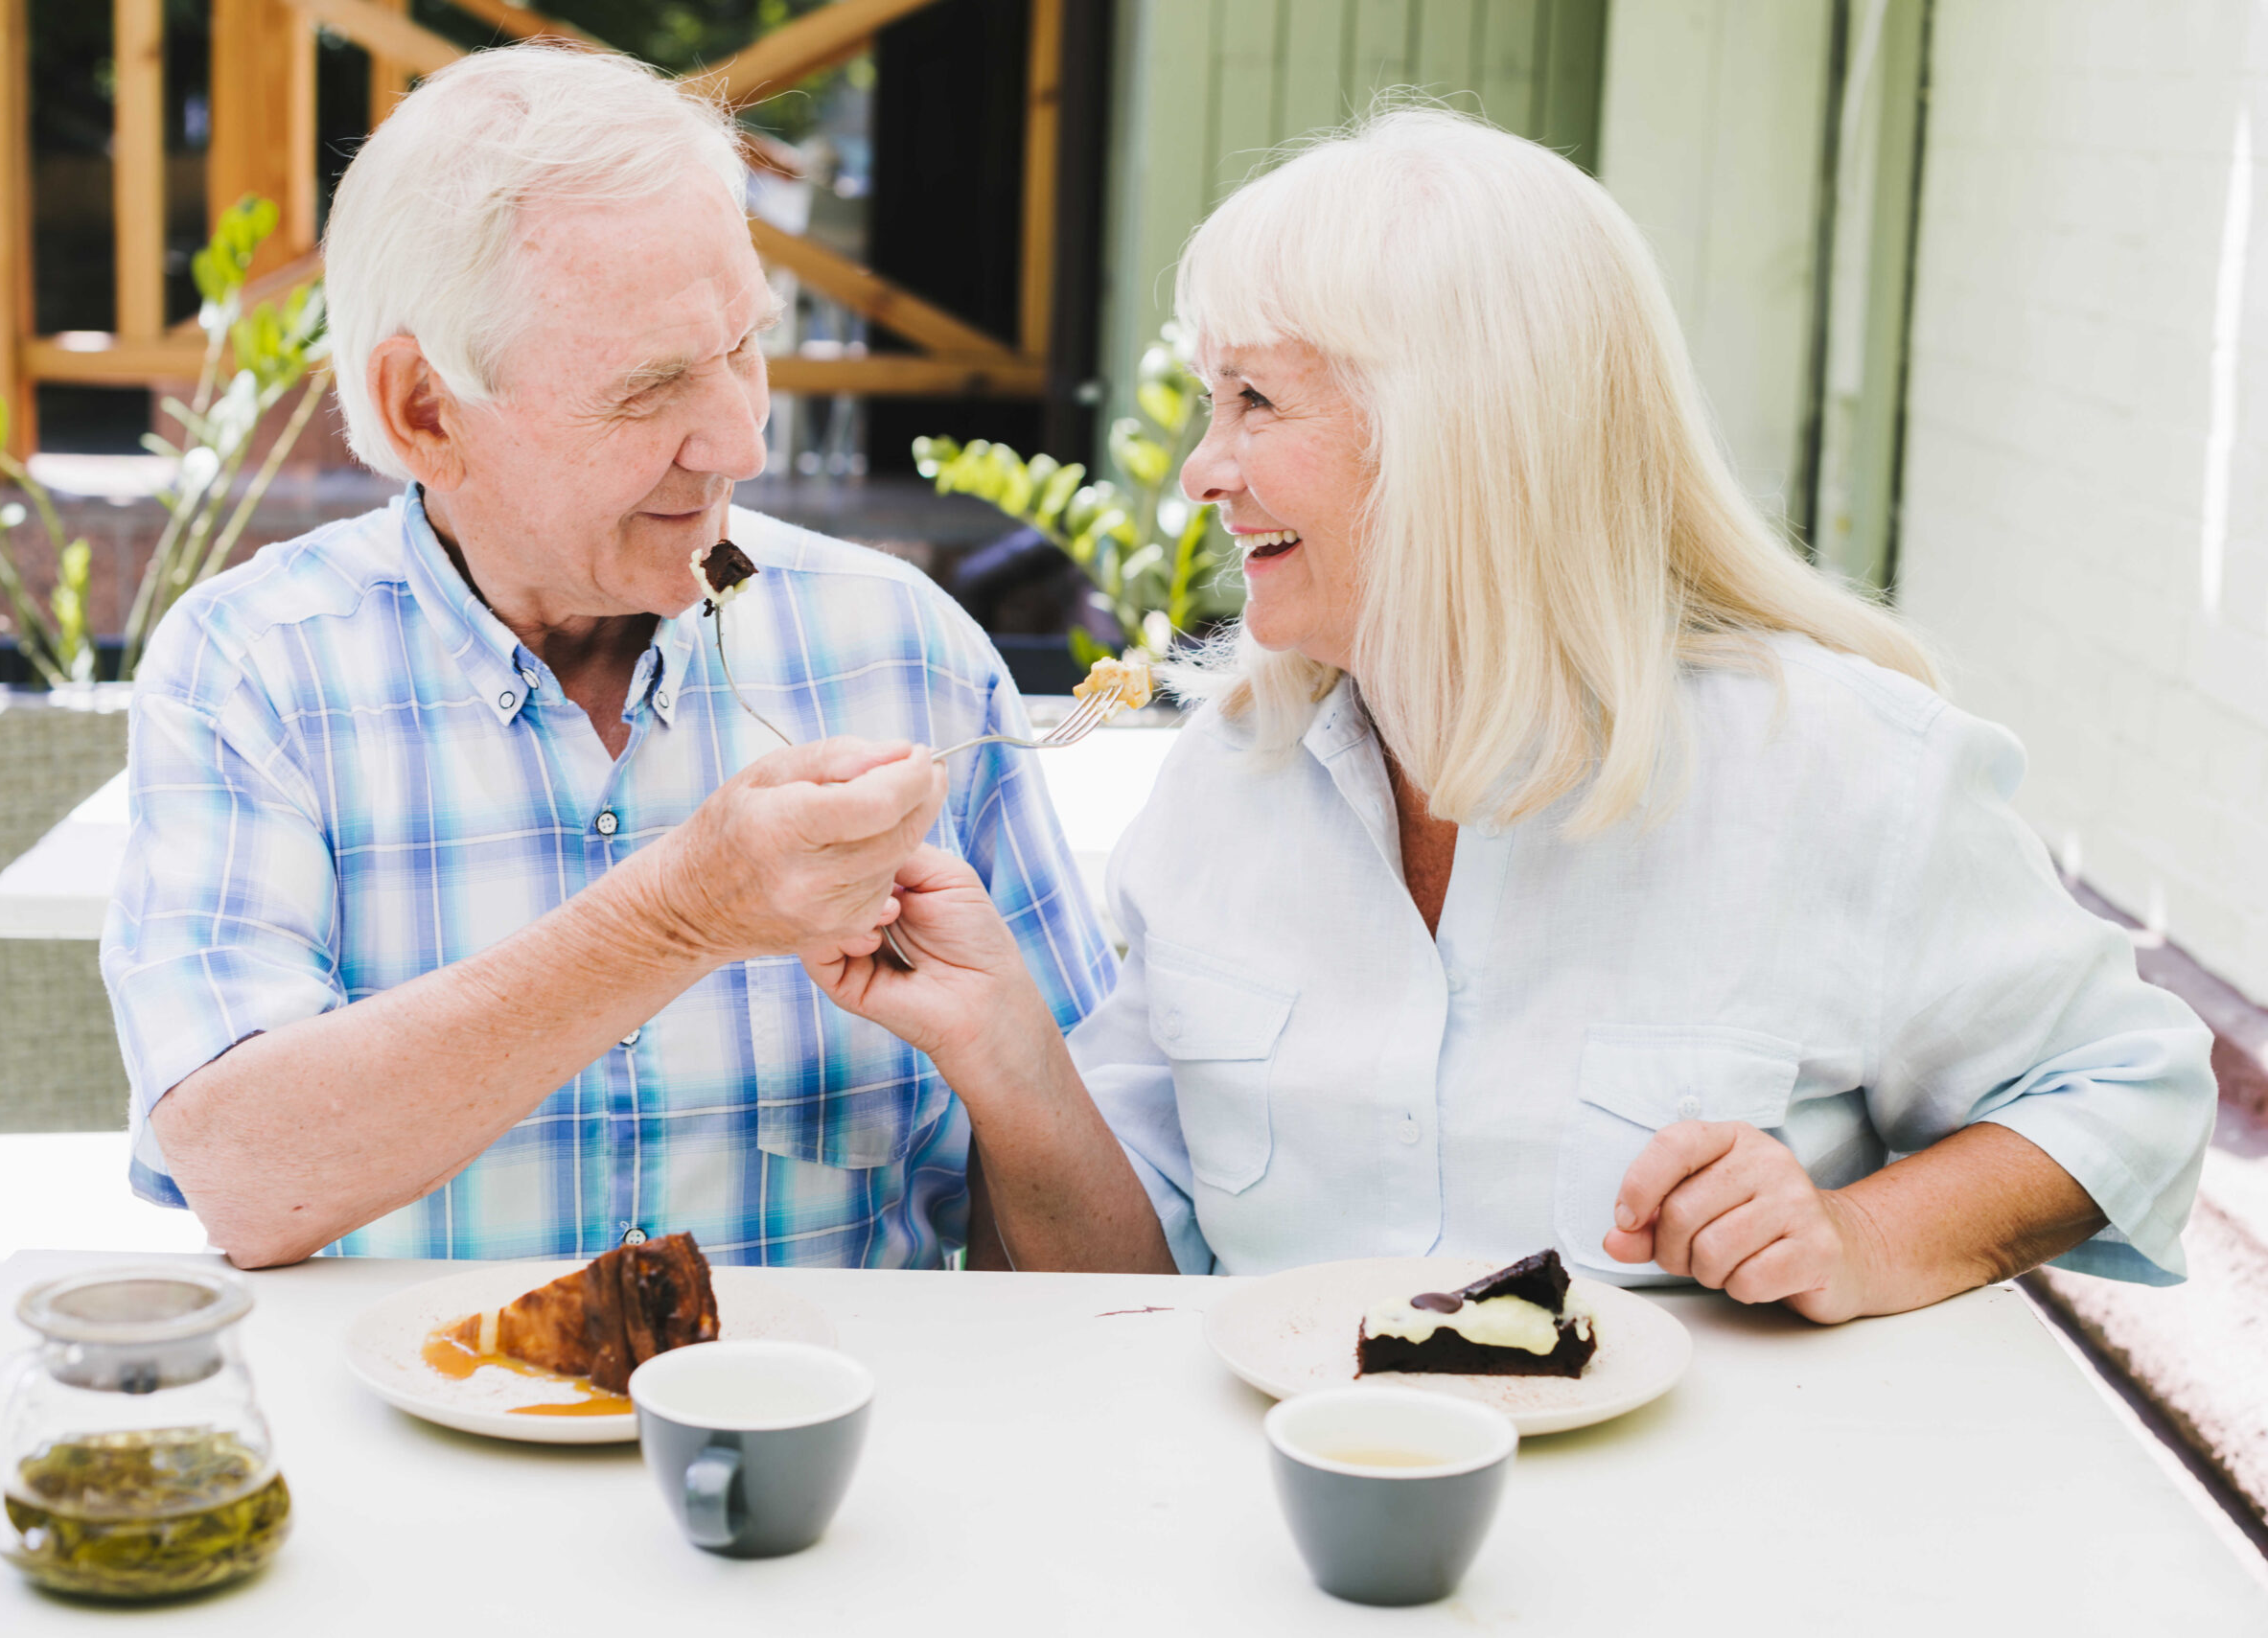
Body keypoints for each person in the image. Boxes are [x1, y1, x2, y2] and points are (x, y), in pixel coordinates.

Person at [807, 108, 2217, 1322]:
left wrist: (1858, 1236)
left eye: (1254, 400)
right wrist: (998, 1043)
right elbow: (1127, 1287)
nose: (1201, 471)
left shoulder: (1847, 769)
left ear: (1458, 430)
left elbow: (2131, 1092)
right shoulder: (1226, 786)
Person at [100, 44, 1112, 1270]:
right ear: (426, 408)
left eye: (745, 346)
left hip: (830, 1449)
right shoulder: (255, 666)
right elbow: (243, 1177)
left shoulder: (903, 645)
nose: (739, 441)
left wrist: (1010, 1067)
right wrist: (680, 914)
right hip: (414, 1448)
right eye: (649, 389)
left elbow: (1117, 1285)